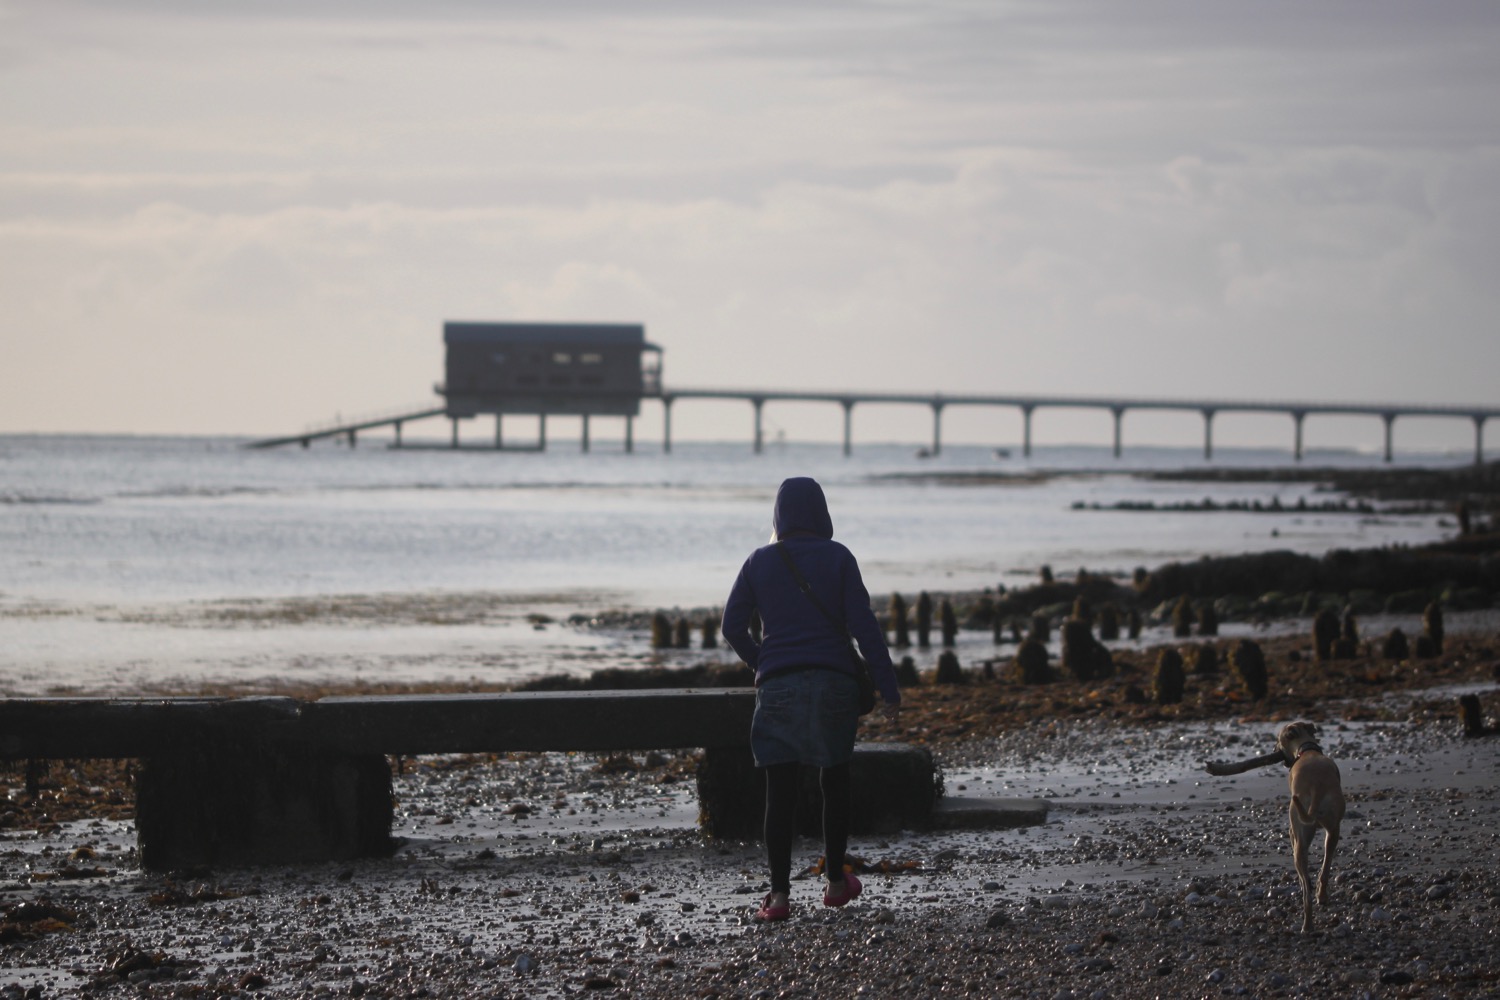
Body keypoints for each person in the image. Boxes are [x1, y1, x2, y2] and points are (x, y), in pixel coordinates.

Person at [721, 476, 901, 921]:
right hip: (834, 683)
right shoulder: (839, 558)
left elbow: (731, 626)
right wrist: (889, 688)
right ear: (821, 513)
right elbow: (865, 629)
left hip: (778, 685)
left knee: (779, 790)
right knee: (834, 780)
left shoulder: (758, 561)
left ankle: (779, 898)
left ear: (778, 516)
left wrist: (762, 661)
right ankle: (837, 883)